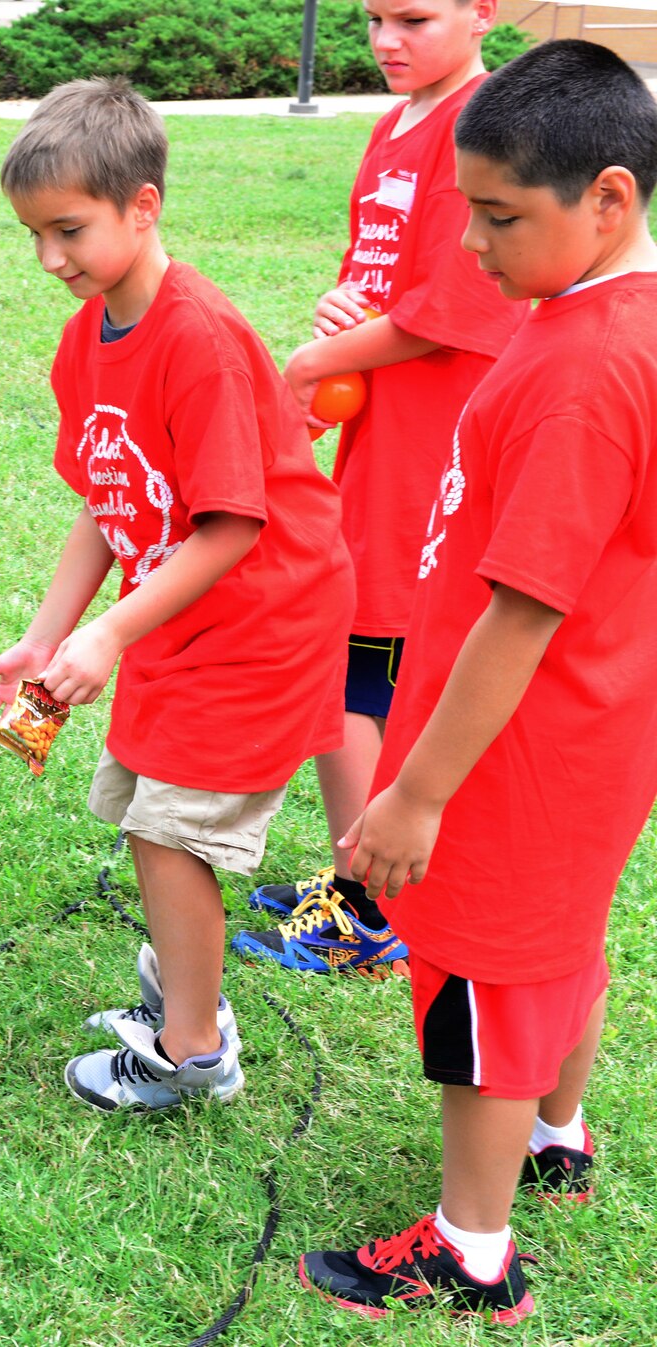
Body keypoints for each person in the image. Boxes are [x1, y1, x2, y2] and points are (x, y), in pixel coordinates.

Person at [297, 41, 657, 1322]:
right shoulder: (598, 320)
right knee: (560, 950)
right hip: (594, 735)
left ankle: (470, 1246)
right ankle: (557, 1135)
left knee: (486, 985)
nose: (471, 249)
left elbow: (523, 610)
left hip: (517, 751)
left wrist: (412, 795)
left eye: (498, 218)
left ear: (605, 200)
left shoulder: (581, 373)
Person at [0, 78, 353, 1112]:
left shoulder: (196, 336)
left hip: (258, 619)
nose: (49, 260)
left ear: (142, 207)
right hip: (176, 618)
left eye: (68, 231)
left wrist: (107, 634)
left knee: (167, 828)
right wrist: (45, 634)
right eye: (33, 236)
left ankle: (193, 1052)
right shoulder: (87, 337)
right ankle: (183, 998)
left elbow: (234, 523)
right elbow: (106, 504)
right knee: (144, 807)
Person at [234, 0, 527, 979]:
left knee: (356, 659)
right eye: (370, 20)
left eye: (412, 17)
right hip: (375, 424)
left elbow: (449, 312)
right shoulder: (388, 122)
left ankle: (367, 910)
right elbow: (380, 281)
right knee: (347, 648)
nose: (386, 40)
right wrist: (337, 329)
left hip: (429, 442)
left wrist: (307, 361)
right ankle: (351, 877)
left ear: (480, 10)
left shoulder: (477, 124)